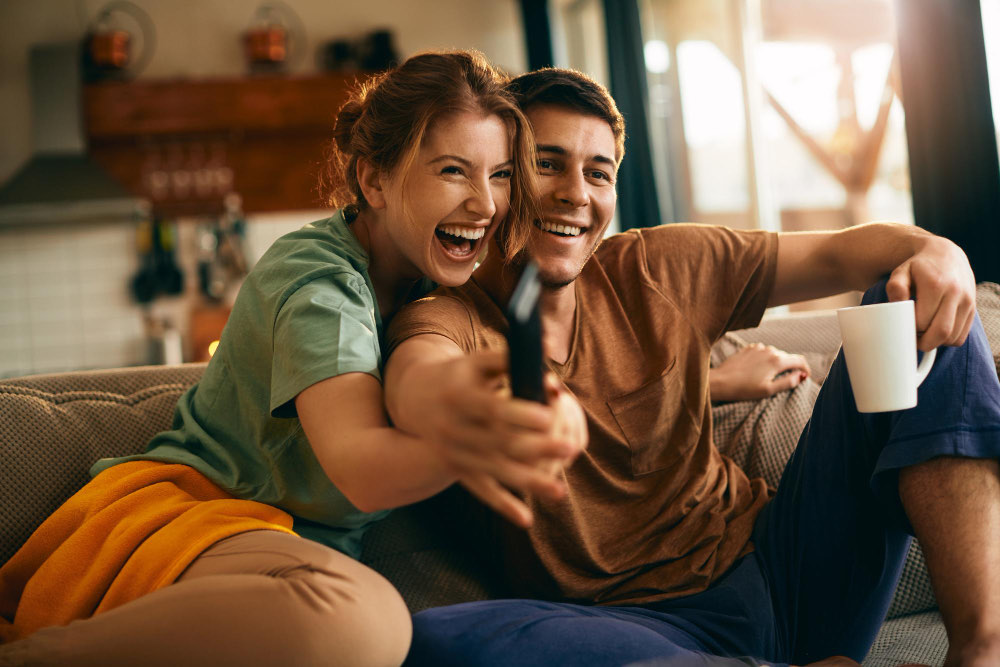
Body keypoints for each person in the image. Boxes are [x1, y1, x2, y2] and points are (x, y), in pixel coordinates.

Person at [383, 67, 1000, 666]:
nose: (575, 192)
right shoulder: (452, 317)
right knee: (425, 640)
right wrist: (455, 403)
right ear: (502, 177)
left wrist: (935, 249)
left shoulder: (659, 265)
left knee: (919, 308)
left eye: (598, 173)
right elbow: (420, 374)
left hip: (785, 564)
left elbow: (843, 254)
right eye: (547, 164)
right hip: (636, 630)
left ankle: (983, 647)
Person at [0, 50, 575, 667]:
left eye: (502, 175)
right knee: (365, 623)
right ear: (372, 181)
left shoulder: (430, 287)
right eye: (453, 171)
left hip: (273, 548)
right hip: (190, 519)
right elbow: (359, 464)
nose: (486, 204)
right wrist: (467, 443)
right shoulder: (320, 284)